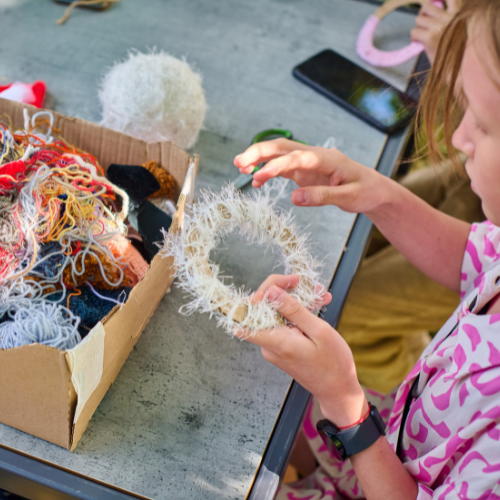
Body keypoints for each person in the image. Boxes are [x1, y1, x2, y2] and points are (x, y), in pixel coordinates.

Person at [233, 1, 500, 498]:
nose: (460, 137)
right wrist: (373, 189)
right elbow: (473, 256)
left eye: (482, 125)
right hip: (399, 434)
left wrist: (345, 405)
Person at [337, 0, 484, 395]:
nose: (458, 138)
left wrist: (457, 66)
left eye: (484, 124)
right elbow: (479, 250)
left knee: (343, 312)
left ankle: (402, 391)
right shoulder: (486, 242)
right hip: (480, 192)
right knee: (348, 241)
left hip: (486, 197)